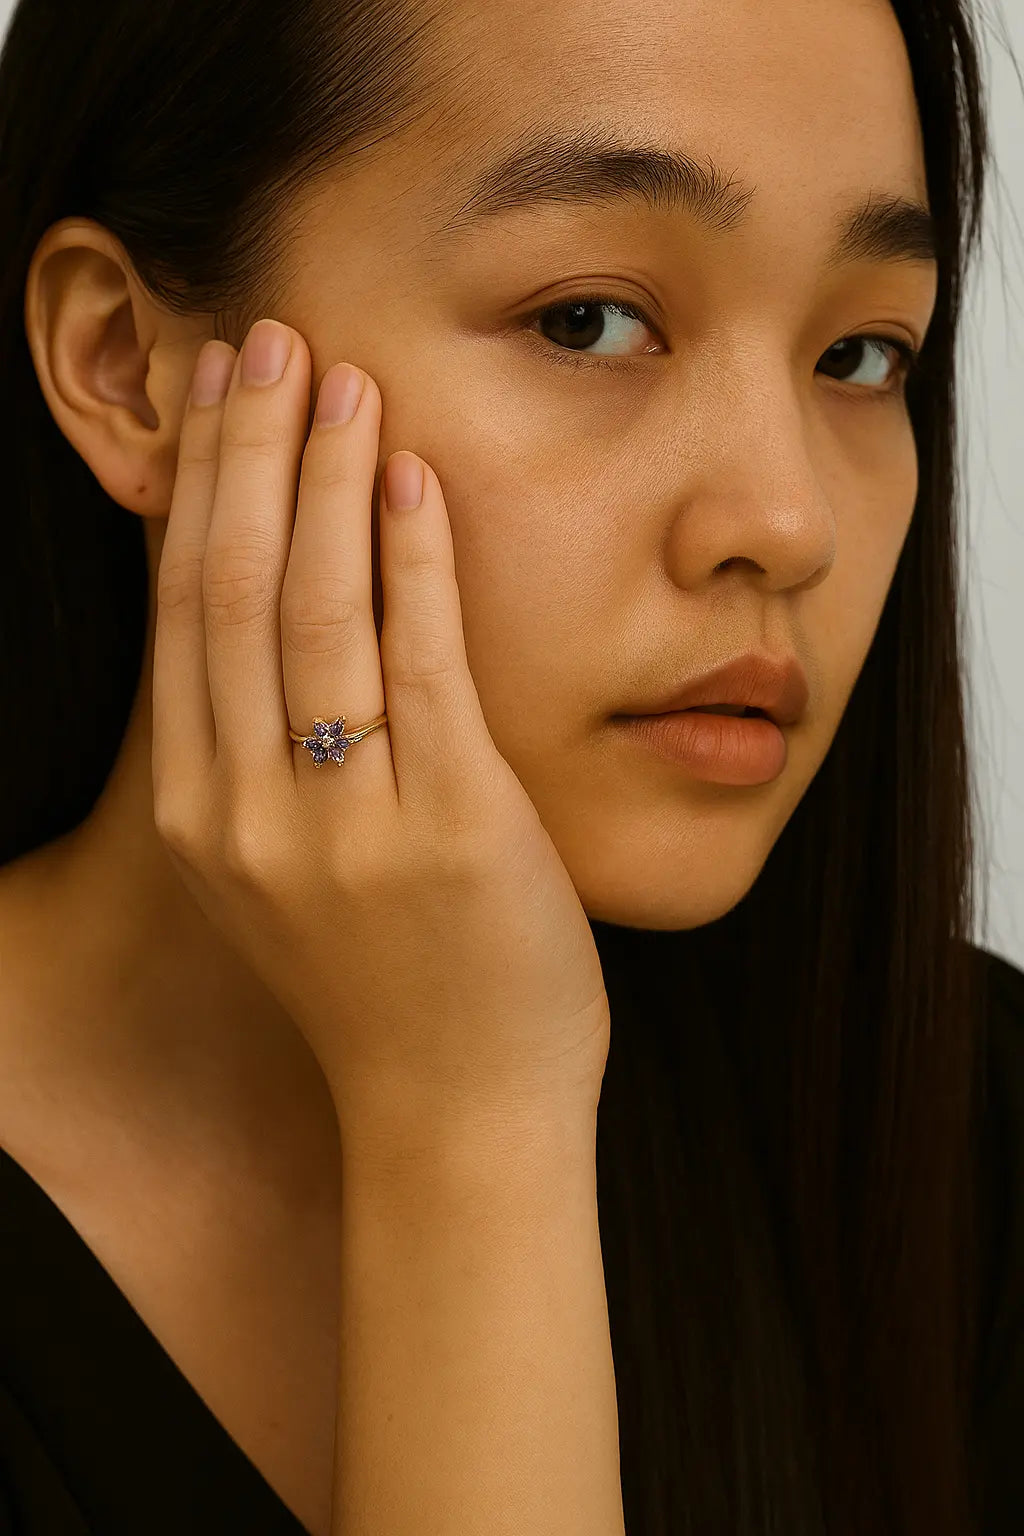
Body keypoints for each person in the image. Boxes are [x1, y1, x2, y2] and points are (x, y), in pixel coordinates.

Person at [0, 0, 1021, 1531]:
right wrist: (465, 1121)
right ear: (126, 363)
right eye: (588, 321)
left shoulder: (972, 1136)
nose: (788, 518)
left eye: (863, 353)